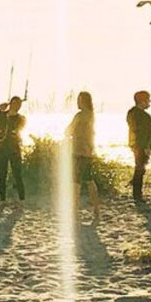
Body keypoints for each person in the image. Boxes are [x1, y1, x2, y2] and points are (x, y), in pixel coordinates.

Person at [66, 91, 101, 222]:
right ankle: (96, 209)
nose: (77, 102)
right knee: (89, 180)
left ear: (84, 101)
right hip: (88, 153)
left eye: (79, 100)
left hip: (78, 152)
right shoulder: (91, 115)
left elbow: (68, 130)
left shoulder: (80, 116)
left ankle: (75, 212)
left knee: (76, 182)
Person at [0, 96, 26, 202]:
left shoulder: (21, 118)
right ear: (10, 104)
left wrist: (8, 116)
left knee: (17, 174)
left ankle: (21, 199)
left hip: (14, 149)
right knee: (2, 174)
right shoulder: (1, 115)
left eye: (18, 104)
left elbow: (19, 127)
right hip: (1, 149)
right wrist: (0, 111)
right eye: (14, 103)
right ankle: (2, 199)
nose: (16, 106)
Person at [126, 90, 151, 202]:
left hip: (136, 144)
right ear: (142, 101)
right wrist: (146, 147)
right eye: (148, 100)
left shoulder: (132, 113)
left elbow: (149, 130)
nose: (149, 102)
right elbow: (142, 131)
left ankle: (136, 189)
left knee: (140, 167)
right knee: (140, 168)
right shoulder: (141, 115)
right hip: (141, 145)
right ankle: (137, 194)